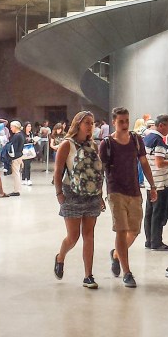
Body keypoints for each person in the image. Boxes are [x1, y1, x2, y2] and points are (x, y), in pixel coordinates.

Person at [100, 107, 157, 288]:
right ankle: (127, 272)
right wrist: (99, 195)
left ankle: (117, 254)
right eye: (121, 121)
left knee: (134, 231)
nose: (124, 125)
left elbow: (144, 162)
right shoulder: (107, 144)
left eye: (126, 121)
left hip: (134, 191)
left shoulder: (136, 139)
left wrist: (152, 185)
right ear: (114, 122)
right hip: (115, 191)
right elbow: (100, 170)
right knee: (121, 230)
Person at [53, 111, 105, 289]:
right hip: (71, 193)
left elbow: (97, 173)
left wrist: (100, 195)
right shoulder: (66, 145)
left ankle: (88, 275)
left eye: (92, 123)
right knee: (73, 237)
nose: (90, 126)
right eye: (87, 123)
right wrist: (59, 193)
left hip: (91, 195)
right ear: (78, 124)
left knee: (89, 235)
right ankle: (60, 257)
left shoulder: (93, 145)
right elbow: (58, 171)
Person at [142, 115, 168, 251]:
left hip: (150, 180)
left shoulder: (147, 138)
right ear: (161, 125)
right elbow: (160, 162)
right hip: (160, 182)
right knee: (158, 212)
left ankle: (149, 240)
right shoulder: (158, 142)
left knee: (149, 212)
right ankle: (157, 241)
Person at [6, 121, 25, 195]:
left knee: (16, 173)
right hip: (20, 155)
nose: (11, 129)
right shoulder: (21, 135)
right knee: (17, 173)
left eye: (11, 127)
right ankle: (17, 188)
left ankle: (16, 190)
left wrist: (10, 156)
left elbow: (13, 147)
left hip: (16, 156)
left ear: (15, 127)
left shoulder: (16, 136)